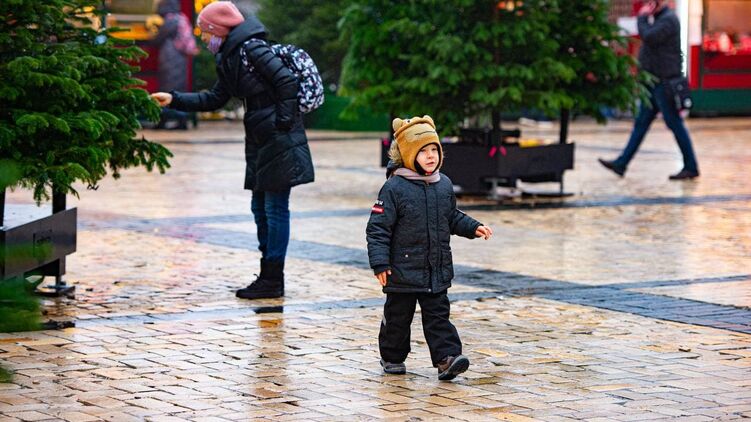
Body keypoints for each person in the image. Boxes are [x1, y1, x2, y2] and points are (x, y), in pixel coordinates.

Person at [151, 1, 315, 299]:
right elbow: (215, 98)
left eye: (204, 31)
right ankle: (268, 276)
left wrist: (281, 123)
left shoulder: (253, 50)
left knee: (275, 210)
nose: (201, 37)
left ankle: (272, 278)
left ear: (218, 30)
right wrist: (173, 99)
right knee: (260, 209)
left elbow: (286, 82)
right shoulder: (231, 55)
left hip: (277, 137)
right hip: (260, 138)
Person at [366, 116, 493, 381]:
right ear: (409, 155)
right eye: (423, 151)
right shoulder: (394, 187)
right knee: (398, 319)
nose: (430, 155)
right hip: (401, 271)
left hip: (436, 268)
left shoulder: (443, 184)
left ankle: (447, 359)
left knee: (439, 317)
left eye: (434, 149)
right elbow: (378, 228)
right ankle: (392, 356)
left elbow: (451, 216)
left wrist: (472, 227)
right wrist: (380, 264)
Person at [599, 0, 700, 180]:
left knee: (675, 124)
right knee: (641, 124)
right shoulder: (660, 20)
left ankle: (691, 166)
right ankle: (621, 163)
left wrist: (642, 18)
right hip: (653, 83)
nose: (648, 5)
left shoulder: (669, 20)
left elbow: (649, 37)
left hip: (664, 83)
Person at [152, 0, 198, 130]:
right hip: (179, 59)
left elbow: (158, 39)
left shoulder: (171, 20)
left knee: (167, 89)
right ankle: (180, 119)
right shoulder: (180, 18)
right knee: (178, 89)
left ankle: (165, 119)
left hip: (170, 59)